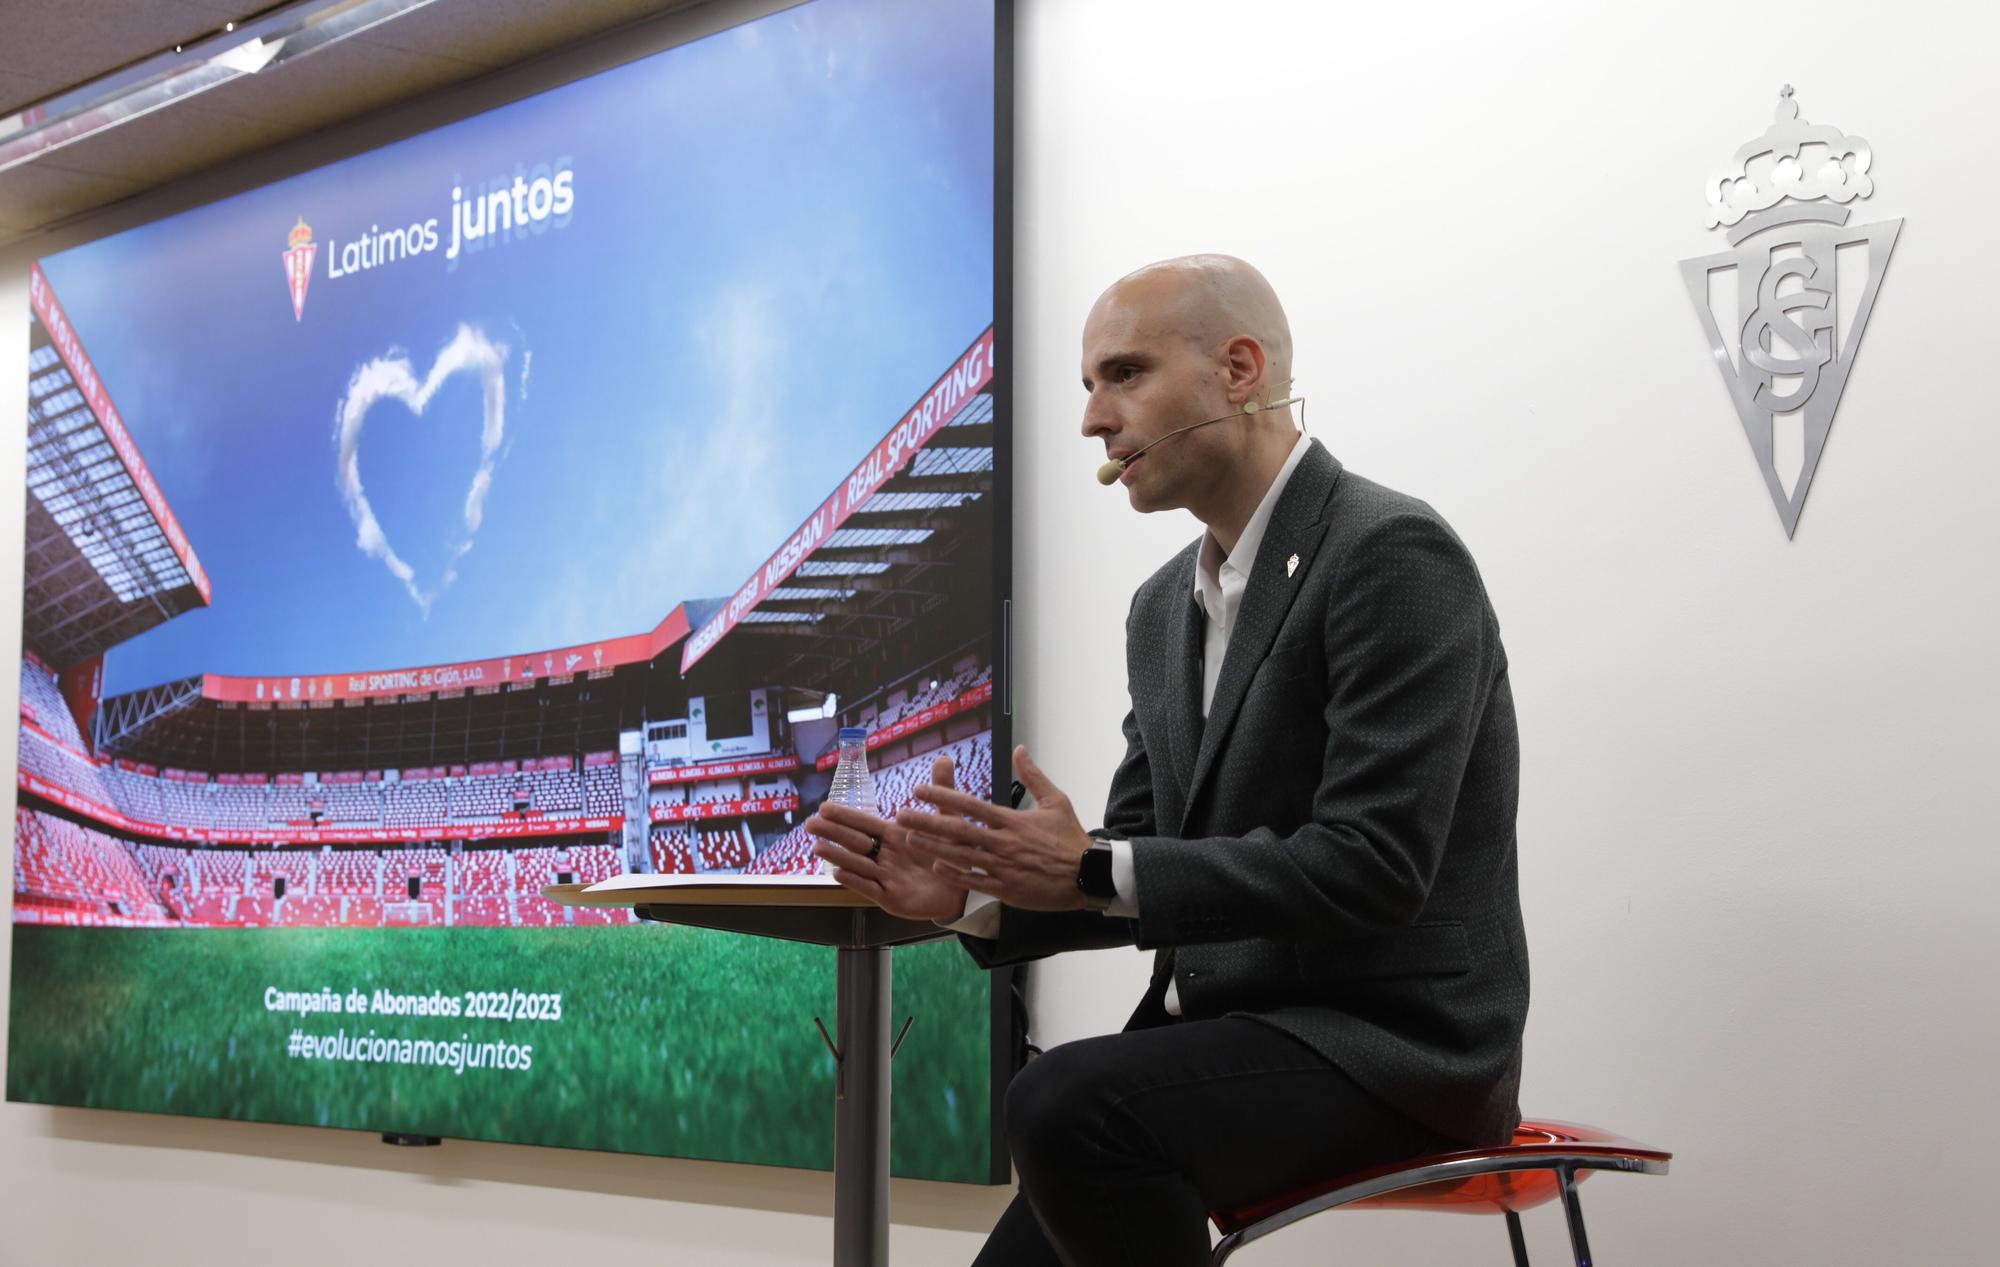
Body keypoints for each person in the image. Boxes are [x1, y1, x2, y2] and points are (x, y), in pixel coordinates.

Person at [807, 255, 1527, 1267]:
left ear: (1237, 369)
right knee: (1064, 1113)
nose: (1093, 420)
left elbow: (1375, 864)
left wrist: (1094, 868)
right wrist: (972, 895)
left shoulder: (1389, 553)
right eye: (1087, 386)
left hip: (1396, 1050)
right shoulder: (1160, 610)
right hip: (1223, 1045)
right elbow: (1137, 865)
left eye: (1124, 374)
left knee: (1060, 1101)